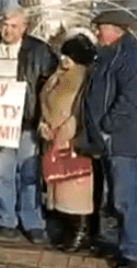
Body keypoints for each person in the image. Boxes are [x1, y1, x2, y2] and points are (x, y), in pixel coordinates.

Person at [0, 8, 58, 242]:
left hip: (27, 122)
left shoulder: (39, 50)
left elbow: (50, 84)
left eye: (14, 26)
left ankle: (32, 220)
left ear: (24, 27)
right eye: (5, 24)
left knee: (29, 174)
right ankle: (6, 220)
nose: (8, 30)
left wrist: (46, 116)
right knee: (2, 174)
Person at [80, 10, 137, 268]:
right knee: (117, 197)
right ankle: (124, 242)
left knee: (125, 197)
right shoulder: (105, 57)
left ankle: (132, 250)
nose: (97, 32)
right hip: (106, 139)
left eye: (101, 28)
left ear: (116, 30)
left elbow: (130, 99)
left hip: (122, 139)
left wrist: (108, 125)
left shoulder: (129, 58)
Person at [39, 33, 97, 252]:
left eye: (69, 56)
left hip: (70, 139)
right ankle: (66, 228)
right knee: (57, 186)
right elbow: (44, 101)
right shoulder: (56, 75)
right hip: (51, 138)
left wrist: (66, 131)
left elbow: (80, 109)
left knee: (75, 188)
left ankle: (80, 231)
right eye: (63, 55)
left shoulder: (83, 77)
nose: (64, 60)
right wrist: (43, 126)